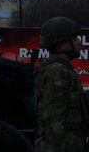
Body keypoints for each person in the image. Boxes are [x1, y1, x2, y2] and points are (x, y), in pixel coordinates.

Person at [35, 16, 89, 152]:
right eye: (75, 38)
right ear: (61, 45)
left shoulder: (62, 69)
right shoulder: (57, 71)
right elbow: (53, 121)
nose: (79, 43)